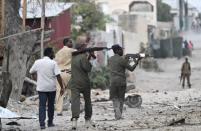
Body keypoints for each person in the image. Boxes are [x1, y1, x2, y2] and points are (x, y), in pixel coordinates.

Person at [29, 47, 64, 129]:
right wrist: (62, 87)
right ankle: (50, 122)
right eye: (53, 53)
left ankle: (42, 124)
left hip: (41, 88)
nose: (54, 55)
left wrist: (35, 78)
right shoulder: (53, 63)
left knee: (42, 105)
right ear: (50, 53)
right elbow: (58, 76)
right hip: (51, 88)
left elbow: (31, 71)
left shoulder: (37, 62)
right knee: (51, 105)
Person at [108, 44, 141, 120]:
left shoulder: (110, 59)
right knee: (121, 98)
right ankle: (119, 115)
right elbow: (131, 68)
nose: (122, 51)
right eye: (121, 50)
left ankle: (116, 110)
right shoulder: (121, 59)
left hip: (112, 81)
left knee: (115, 98)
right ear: (117, 50)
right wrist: (136, 60)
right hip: (121, 81)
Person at [69, 36, 95, 130]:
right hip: (84, 82)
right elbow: (87, 68)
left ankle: (74, 121)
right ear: (82, 47)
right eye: (85, 46)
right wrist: (89, 57)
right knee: (87, 101)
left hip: (74, 82)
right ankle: (87, 120)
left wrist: (87, 56)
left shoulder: (74, 56)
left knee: (75, 101)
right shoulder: (82, 57)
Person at [54, 38, 75, 116]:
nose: (72, 43)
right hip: (69, 73)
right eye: (70, 42)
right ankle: (75, 109)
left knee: (59, 92)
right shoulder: (72, 51)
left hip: (60, 74)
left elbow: (55, 63)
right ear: (66, 43)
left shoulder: (58, 52)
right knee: (72, 91)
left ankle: (59, 111)